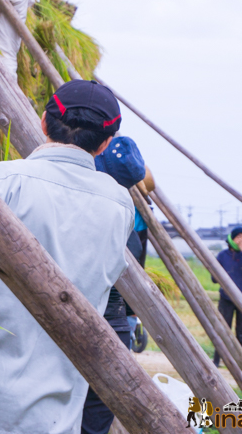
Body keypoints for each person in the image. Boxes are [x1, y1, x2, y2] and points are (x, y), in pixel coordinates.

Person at [0, 80, 133, 434]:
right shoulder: (119, 206)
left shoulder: (2, 179)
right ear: (106, 143)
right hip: (53, 415)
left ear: (43, 122)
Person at [82, 137, 145, 434]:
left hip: (86, 323)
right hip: (116, 328)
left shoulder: (90, 213)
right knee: (94, 422)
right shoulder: (128, 220)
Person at [211, 226, 242, 366]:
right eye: (239, 237)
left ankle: (241, 362)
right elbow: (214, 278)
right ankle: (217, 360)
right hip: (226, 298)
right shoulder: (223, 255)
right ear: (232, 238)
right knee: (223, 328)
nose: (241, 240)